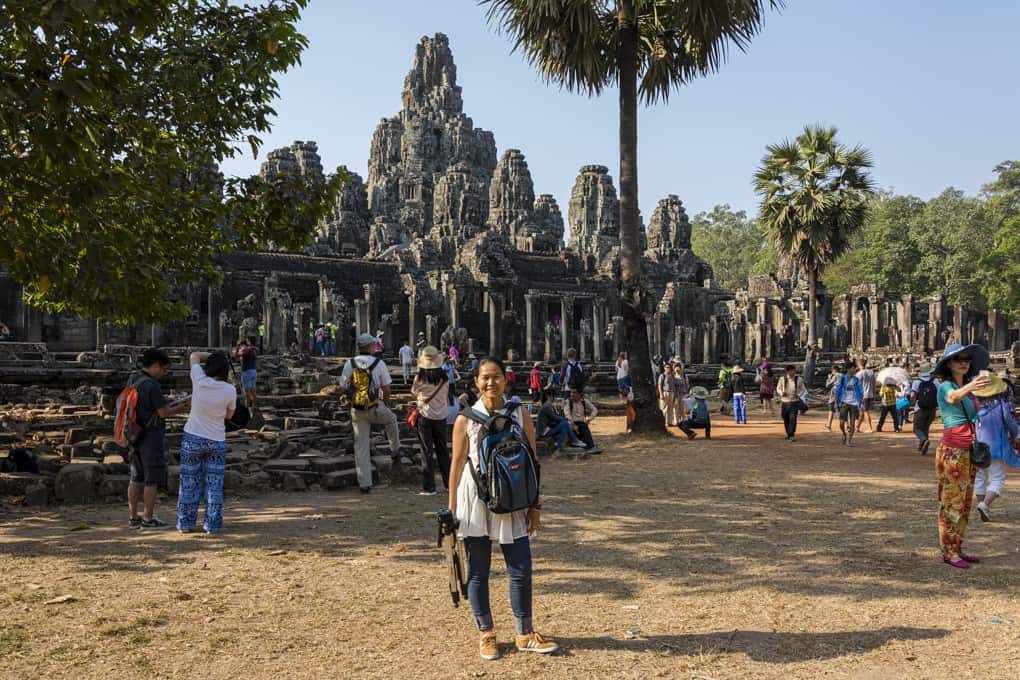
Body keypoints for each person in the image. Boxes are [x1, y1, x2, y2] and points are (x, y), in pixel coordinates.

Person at [448, 357, 559, 659]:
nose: (490, 383)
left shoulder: (519, 412)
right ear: (475, 383)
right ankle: (486, 633)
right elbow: (456, 466)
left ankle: (524, 633)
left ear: (505, 380)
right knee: (478, 571)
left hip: (514, 497)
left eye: (496, 377)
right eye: (484, 378)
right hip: (475, 498)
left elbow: (533, 461)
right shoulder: (465, 419)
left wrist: (535, 505)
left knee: (521, 568)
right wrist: (451, 510)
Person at [932, 342, 992, 568]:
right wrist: (972, 386)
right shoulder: (945, 386)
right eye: (959, 359)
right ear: (949, 363)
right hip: (952, 450)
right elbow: (953, 398)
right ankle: (948, 551)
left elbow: (973, 407)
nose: (964, 363)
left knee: (965, 503)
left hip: (968, 450)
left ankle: (957, 546)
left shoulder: (967, 387)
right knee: (951, 502)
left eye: (967, 359)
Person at [177, 351, 237, 534]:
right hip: (216, 439)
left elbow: (194, 355)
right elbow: (229, 415)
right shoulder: (230, 390)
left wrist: (212, 355)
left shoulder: (199, 380)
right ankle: (212, 524)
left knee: (189, 481)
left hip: (193, 436)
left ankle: (186, 524)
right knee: (214, 484)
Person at [127, 349, 185, 529]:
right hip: (151, 435)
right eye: (163, 369)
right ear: (155, 366)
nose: (164, 373)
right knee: (152, 478)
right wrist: (180, 407)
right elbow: (163, 412)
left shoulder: (133, 380)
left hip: (134, 433)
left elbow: (147, 404)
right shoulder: (152, 385)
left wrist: (167, 401)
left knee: (136, 476)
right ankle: (148, 518)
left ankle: (133, 517)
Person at [339, 333, 401, 494]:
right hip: (376, 406)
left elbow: (344, 387)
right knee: (392, 420)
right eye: (373, 345)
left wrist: (354, 398)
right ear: (369, 347)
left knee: (361, 446)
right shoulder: (378, 363)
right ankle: (395, 450)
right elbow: (387, 389)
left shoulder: (349, 363)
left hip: (357, 408)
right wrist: (386, 404)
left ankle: (364, 484)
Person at [973, 375, 1020, 522]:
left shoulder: (974, 407)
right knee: (997, 478)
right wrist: (1016, 435)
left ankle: (982, 504)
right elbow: (1010, 424)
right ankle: (984, 504)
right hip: (997, 447)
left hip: (978, 447)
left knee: (980, 477)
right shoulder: (1001, 406)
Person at [411, 346, 450, 496]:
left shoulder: (420, 378)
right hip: (441, 416)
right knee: (443, 451)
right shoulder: (445, 378)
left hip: (425, 415)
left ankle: (429, 487)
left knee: (426, 451)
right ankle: (448, 484)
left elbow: (414, 393)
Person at [910, 366, 939, 455]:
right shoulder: (936, 382)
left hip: (920, 408)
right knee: (925, 427)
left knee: (917, 428)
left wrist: (913, 404)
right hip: (932, 408)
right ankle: (922, 448)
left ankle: (923, 440)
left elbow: (912, 396)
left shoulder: (917, 382)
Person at [834, 362, 864, 447]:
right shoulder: (842, 379)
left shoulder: (857, 380)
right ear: (848, 369)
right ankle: (844, 433)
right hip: (844, 402)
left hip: (854, 404)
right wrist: (836, 402)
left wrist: (862, 403)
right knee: (842, 423)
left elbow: (861, 392)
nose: (855, 370)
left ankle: (849, 441)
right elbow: (837, 391)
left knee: (853, 424)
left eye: (855, 368)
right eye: (853, 368)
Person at [564, 387, 602, 453]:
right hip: (571, 424)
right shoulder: (567, 402)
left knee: (583, 426)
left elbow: (595, 410)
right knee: (582, 426)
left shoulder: (584, 402)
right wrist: (571, 420)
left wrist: (589, 419)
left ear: (579, 394)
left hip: (581, 423)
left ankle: (589, 446)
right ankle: (591, 446)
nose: (572, 394)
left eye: (574, 392)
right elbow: (566, 413)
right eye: (571, 392)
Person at [776, 365, 806, 442]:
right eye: (791, 371)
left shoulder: (799, 379)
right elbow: (778, 388)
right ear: (787, 371)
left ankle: (791, 435)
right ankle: (788, 433)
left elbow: (803, 389)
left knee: (793, 419)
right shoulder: (782, 379)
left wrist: (798, 395)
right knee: (785, 418)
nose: (793, 372)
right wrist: (781, 393)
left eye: (794, 370)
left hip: (794, 401)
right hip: (785, 401)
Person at [235, 337, 258, 409]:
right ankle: (255, 407)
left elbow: (236, 355)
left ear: (249, 342)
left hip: (247, 371)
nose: (246, 341)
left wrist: (237, 347)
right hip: (253, 371)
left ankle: (247, 408)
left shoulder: (246, 350)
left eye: (247, 340)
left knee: (247, 392)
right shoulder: (255, 350)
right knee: (253, 391)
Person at [857, 358, 876, 433]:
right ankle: (857, 427)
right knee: (862, 411)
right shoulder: (871, 372)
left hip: (863, 395)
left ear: (859, 365)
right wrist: (874, 395)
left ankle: (869, 428)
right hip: (870, 394)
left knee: (865, 411)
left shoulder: (860, 373)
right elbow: (874, 385)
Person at [822, 365, 841, 432]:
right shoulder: (843, 376)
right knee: (838, 410)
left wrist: (829, 378)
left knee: (833, 410)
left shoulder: (836, 376)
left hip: (834, 395)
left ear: (834, 371)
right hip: (842, 395)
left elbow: (828, 385)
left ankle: (829, 427)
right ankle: (828, 426)